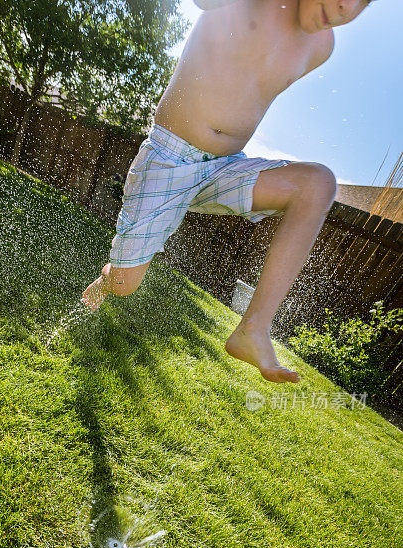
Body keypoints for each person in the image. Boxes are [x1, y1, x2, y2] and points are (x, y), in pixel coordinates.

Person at [82, 0, 375, 384]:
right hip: (170, 157)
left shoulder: (321, 47)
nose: (344, 6)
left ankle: (253, 328)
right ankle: (107, 280)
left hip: (224, 167)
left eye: (364, 2)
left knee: (318, 184)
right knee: (125, 286)